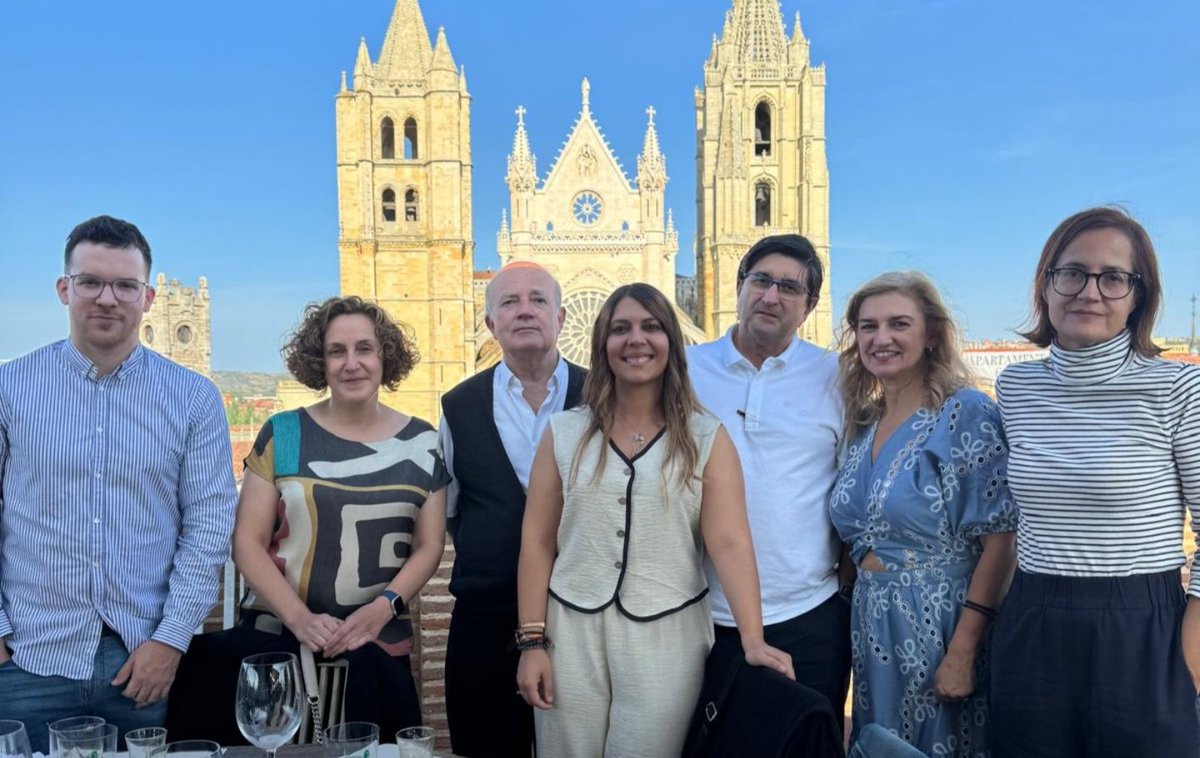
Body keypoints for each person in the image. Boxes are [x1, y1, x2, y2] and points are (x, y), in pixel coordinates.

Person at [516, 283, 794, 757]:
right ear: (603, 344)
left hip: (669, 638)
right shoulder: (564, 433)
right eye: (620, 329)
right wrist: (532, 642)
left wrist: (753, 638)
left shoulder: (706, 437)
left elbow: (729, 542)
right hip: (570, 633)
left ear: (671, 341)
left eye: (651, 327)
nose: (636, 340)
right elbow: (538, 541)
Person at [0, 215, 238, 752]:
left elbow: (207, 528)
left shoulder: (194, 399)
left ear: (147, 297)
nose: (107, 298)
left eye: (125, 285)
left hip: (143, 663)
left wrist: (170, 642)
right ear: (65, 289)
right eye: (91, 282)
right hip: (25, 660)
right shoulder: (10, 389)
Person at [168, 296, 448, 742]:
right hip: (276, 647)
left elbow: (429, 545)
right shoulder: (285, 432)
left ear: (385, 355)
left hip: (375, 648)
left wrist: (381, 609)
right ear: (320, 361)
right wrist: (300, 618)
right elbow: (247, 541)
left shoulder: (424, 442)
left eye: (364, 349)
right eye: (337, 351)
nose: (351, 363)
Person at [989, 207, 1200, 757]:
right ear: (1047, 284)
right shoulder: (1016, 388)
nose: (1090, 291)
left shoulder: (1177, 388)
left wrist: (1190, 660)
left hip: (1143, 625)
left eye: (1113, 278)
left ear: (1138, 295)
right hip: (1032, 617)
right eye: (1073, 272)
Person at [828, 272, 1017, 757]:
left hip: (941, 625)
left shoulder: (966, 413)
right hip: (872, 625)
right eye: (867, 326)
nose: (881, 338)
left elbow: (1001, 541)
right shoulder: (863, 424)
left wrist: (964, 650)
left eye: (898, 324)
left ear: (931, 334)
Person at [687, 234, 852, 721]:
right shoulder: (684, 368)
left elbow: (853, 485)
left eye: (789, 287)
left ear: (810, 305)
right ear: (739, 285)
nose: (770, 296)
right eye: (760, 280)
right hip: (698, 612)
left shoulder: (837, 377)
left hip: (808, 614)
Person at [439, 262, 585, 758]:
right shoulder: (457, 406)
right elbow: (454, 512)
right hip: (485, 623)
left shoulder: (604, 394)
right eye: (509, 303)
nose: (525, 311)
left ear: (562, 317)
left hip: (584, 620)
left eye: (538, 300)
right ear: (490, 325)